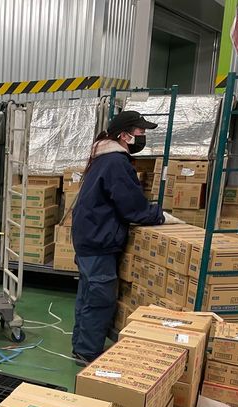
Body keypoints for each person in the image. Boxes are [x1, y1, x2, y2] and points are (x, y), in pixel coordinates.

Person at [71, 110, 182, 365]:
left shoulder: (103, 158)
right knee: (100, 298)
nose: (142, 136)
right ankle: (87, 352)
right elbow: (132, 207)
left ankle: (81, 347)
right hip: (99, 239)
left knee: (88, 294)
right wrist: (160, 216)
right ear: (124, 135)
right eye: (140, 132)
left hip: (90, 236)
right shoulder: (116, 163)